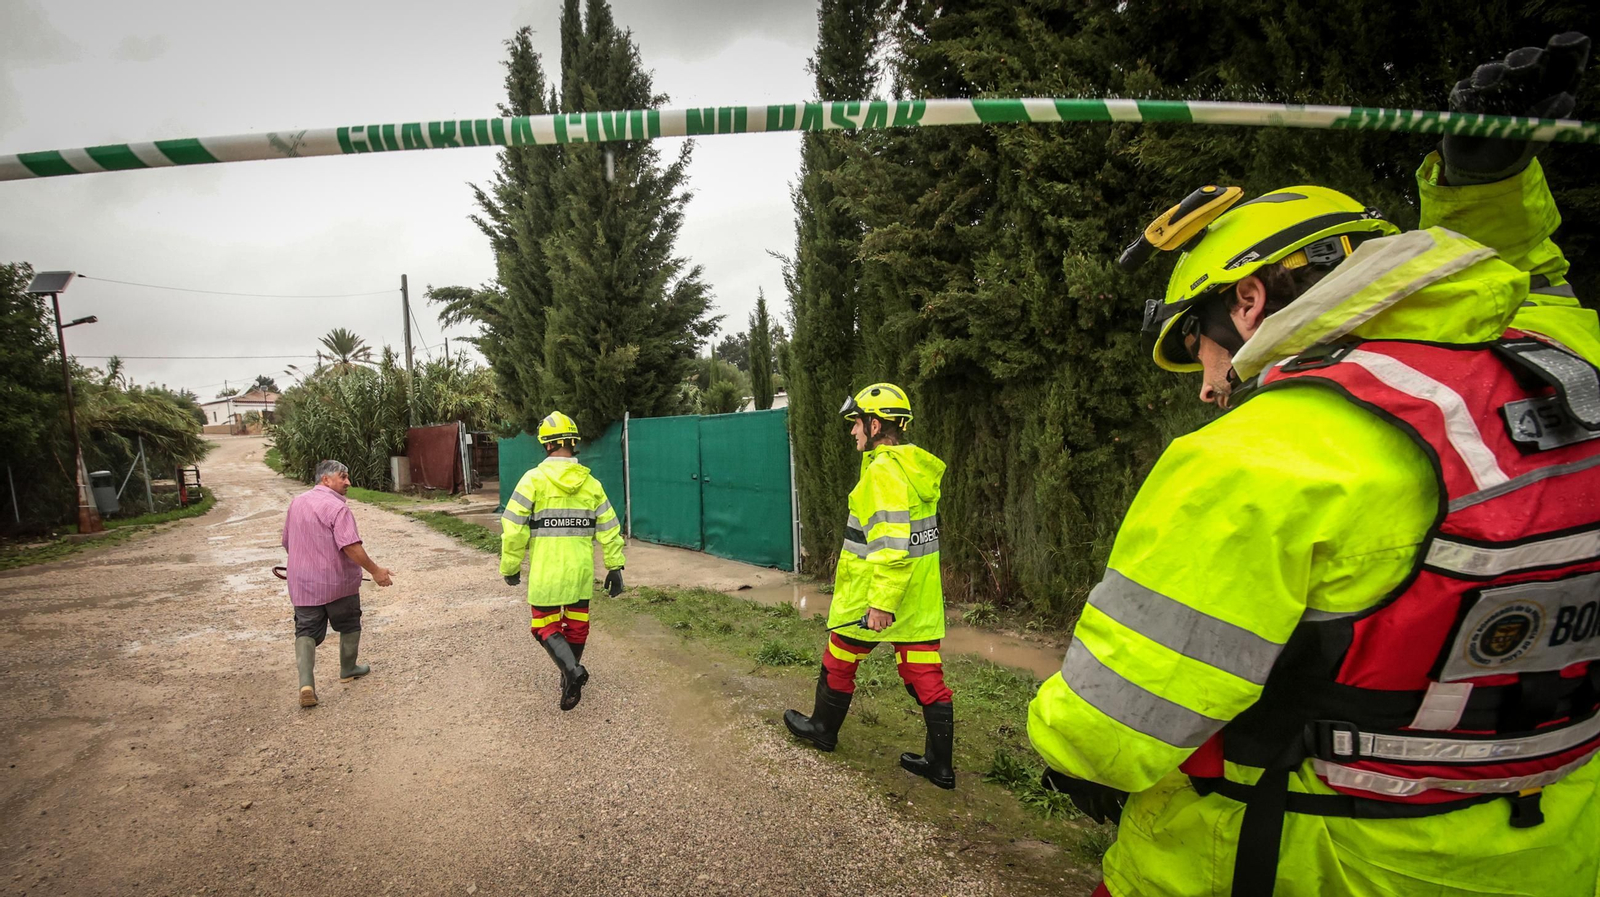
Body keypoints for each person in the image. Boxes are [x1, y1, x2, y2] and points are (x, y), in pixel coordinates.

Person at [1027, 33, 1600, 897]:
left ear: (1247, 301)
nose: (1209, 387)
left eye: (1201, 350)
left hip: (1304, 859)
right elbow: (1525, 283)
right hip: (1551, 852)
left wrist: (1060, 741)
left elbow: (1108, 731)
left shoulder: (1261, 458)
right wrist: (1485, 186)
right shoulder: (1565, 369)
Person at [784, 383, 955, 788]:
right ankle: (941, 766)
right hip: (918, 596)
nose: (853, 431)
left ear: (875, 425)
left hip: (874, 594)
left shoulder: (882, 472)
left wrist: (880, 603)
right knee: (924, 673)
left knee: (840, 658)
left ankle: (822, 730)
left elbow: (892, 546)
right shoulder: (913, 468)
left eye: (857, 423)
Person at [501, 411, 625, 711]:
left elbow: (513, 530)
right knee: (577, 625)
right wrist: (614, 566)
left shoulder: (532, 480)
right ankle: (569, 675)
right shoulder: (592, 484)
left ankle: (571, 670)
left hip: (547, 572)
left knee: (544, 625)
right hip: (580, 571)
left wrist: (511, 567)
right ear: (573, 443)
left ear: (547, 445)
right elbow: (610, 528)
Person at [281, 459, 393, 708]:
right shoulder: (337, 508)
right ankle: (348, 668)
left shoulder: (297, 503)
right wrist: (376, 571)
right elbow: (351, 546)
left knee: (305, 630)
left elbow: (287, 541)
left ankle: (306, 685)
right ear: (325, 479)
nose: (348, 482)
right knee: (349, 622)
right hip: (337, 582)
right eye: (342, 477)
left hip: (302, 583)